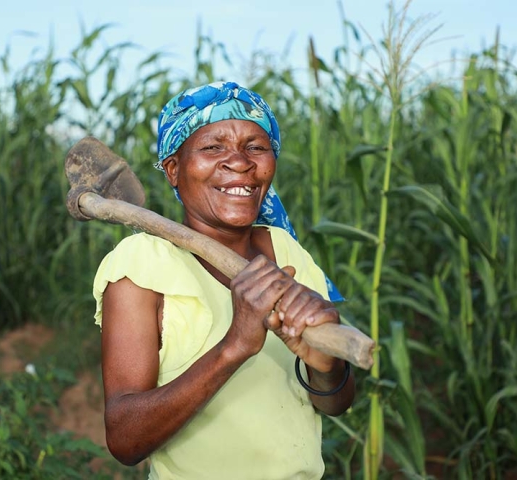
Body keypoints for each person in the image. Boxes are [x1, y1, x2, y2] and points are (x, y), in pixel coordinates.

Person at [93, 81, 355, 480]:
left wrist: (328, 367)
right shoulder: (142, 263)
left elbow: (336, 403)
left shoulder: (284, 250)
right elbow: (125, 439)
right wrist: (235, 346)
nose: (240, 162)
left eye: (255, 146)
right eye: (213, 147)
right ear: (173, 169)